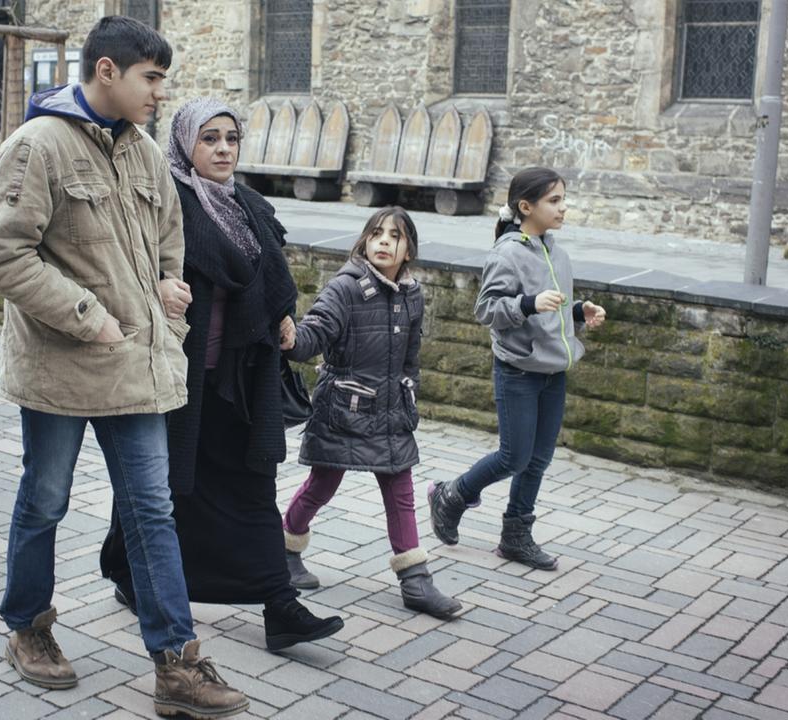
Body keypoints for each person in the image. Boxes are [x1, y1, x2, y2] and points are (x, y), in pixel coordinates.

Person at [0, 17, 248, 718]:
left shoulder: (148, 154)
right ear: (106, 72)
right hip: (63, 367)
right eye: (150, 79)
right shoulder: (38, 146)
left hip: (135, 367)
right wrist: (86, 316)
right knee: (46, 499)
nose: (159, 93)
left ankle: (176, 663)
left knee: (152, 509)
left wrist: (170, 304)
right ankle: (26, 625)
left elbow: (169, 248)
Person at [99, 98, 345, 653]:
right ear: (186, 143)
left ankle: (279, 606)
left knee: (255, 485)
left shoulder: (250, 206)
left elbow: (273, 276)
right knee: (163, 488)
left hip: (241, 376)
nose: (223, 149)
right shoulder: (165, 201)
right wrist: (159, 288)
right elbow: (127, 269)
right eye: (209, 139)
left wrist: (282, 313)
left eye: (231, 139)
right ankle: (124, 567)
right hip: (174, 376)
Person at [278, 207, 463, 620]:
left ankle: (415, 580)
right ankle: (285, 547)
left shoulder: (412, 295)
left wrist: (409, 392)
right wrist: (292, 337)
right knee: (322, 484)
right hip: (344, 408)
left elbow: (411, 358)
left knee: (401, 490)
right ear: (364, 240)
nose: (383, 241)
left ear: (408, 250)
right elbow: (315, 333)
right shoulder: (345, 288)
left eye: (394, 236)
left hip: (392, 410)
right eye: (376, 233)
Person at [429, 167, 607, 571]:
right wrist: (527, 303)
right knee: (514, 455)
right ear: (526, 207)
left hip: (554, 371)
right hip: (518, 371)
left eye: (563, 199)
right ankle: (452, 494)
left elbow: (553, 309)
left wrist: (581, 311)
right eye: (554, 201)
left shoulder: (556, 252)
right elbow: (486, 309)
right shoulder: (507, 252)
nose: (564, 207)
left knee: (539, 458)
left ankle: (515, 535)